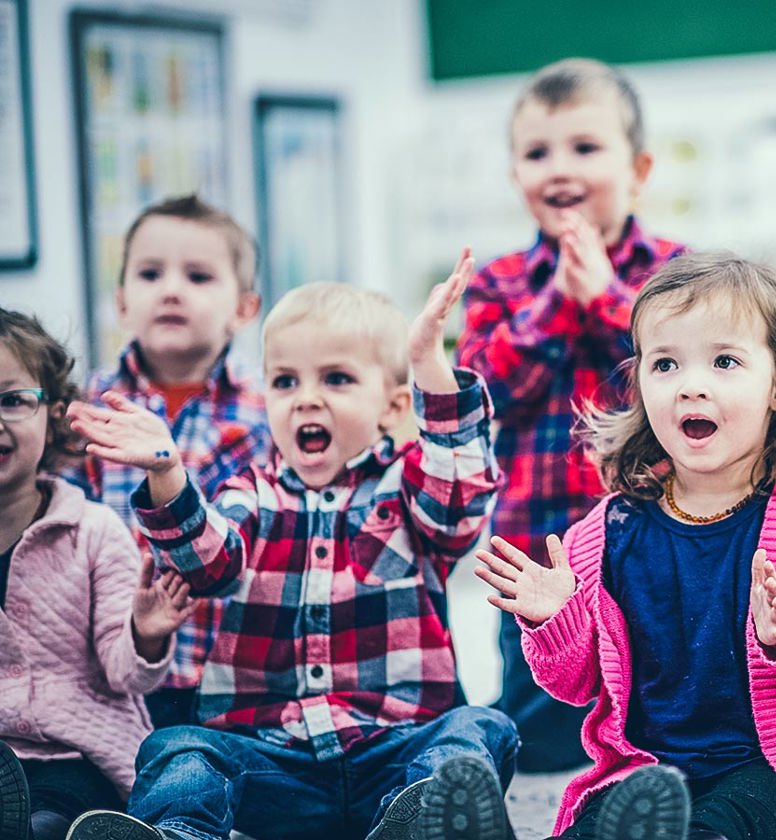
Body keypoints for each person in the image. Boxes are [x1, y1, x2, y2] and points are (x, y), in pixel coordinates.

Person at [65, 254, 518, 840]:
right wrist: (168, 470)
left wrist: (427, 363)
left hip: (395, 752)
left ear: (393, 406)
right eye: (285, 381)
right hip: (273, 764)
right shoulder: (249, 493)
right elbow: (206, 563)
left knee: (477, 729)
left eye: (336, 379)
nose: (305, 398)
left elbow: (459, 501)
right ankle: (177, 832)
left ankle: (425, 824)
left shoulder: (409, 486)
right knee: (178, 747)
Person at [472, 253, 776, 840]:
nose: (692, 385)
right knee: (594, 826)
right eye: (665, 363)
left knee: (729, 823)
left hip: (771, 771)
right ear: (640, 384)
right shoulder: (610, 528)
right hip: (642, 774)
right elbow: (576, 684)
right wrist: (555, 620)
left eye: (724, 361)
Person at [456, 57, 687, 773]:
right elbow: (483, 394)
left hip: (656, 542)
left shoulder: (680, 273)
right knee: (540, 728)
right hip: (536, 550)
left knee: (662, 708)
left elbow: (687, 380)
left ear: (639, 169)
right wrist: (561, 300)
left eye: (585, 148)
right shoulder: (497, 283)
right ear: (514, 174)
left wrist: (612, 300)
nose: (560, 169)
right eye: (537, 152)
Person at [79, 194, 271, 729]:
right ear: (120, 301)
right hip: (115, 667)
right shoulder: (90, 410)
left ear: (244, 308)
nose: (170, 289)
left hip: (237, 671)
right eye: (149, 273)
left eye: (198, 276)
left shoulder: (267, 410)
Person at [0, 308, 190, 840]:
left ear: (55, 415)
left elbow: (125, 674)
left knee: (58, 814)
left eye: (12, 400)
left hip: (78, 753)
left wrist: (144, 635)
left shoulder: (93, 531)